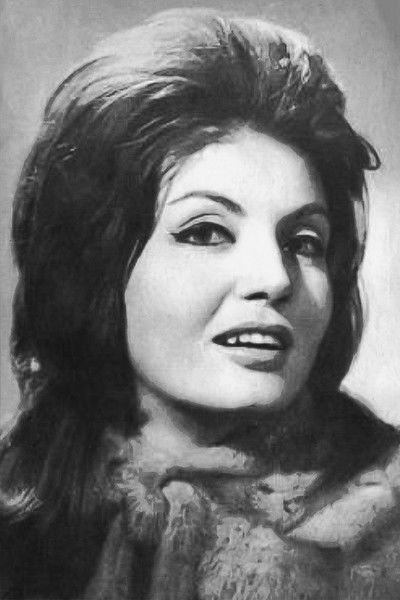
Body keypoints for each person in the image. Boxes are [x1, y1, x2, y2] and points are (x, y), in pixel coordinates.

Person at [1, 8, 399, 600]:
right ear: (96, 265)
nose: (275, 279)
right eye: (206, 232)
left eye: (304, 242)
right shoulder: (19, 506)